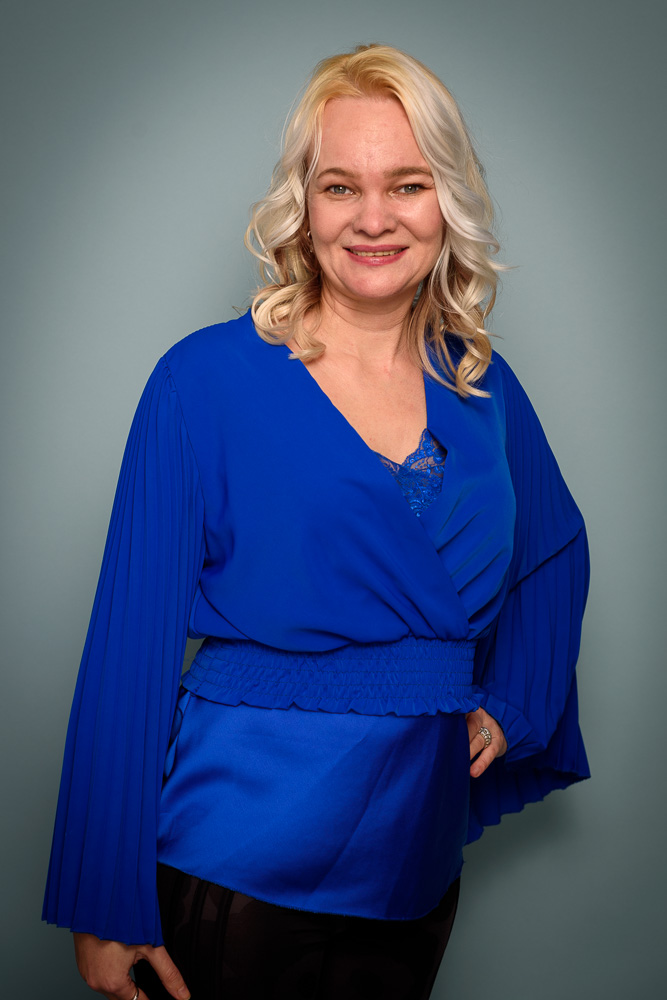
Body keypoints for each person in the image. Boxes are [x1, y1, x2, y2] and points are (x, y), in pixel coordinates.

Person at [43, 44, 590, 1000]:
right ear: (302, 204)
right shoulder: (202, 381)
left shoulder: (481, 386)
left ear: (447, 200)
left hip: (415, 865)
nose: (374, 218)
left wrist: (514, 702)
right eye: (341, 186)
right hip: (234, 858)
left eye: (407, 184)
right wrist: (103, 901)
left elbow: (553, 551)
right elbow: (128, 648)